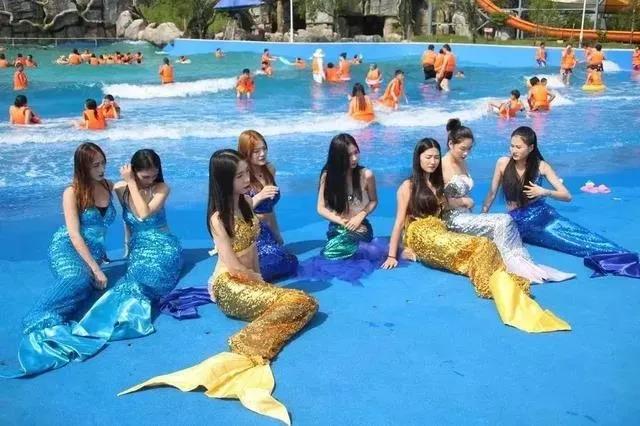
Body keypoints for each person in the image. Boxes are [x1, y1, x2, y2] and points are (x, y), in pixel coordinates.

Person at [119, 149, 318, 425]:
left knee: (306, 303)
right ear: (224, 180)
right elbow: (233, 265)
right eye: (240, 176)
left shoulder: (246, 202)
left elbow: (253, 250)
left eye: (246, 173)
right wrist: (256, 280)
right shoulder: (217, 218)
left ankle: (254, 337)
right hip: (230, 285)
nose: (247, 179)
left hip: (251, 278)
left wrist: (260, 279)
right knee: (299, 302)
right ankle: (244, 342)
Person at [380, 138, 571, 333]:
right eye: (428, 157)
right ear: (418, 158)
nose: (433, 161)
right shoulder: (408, 186)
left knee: (484, 244)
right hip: (420, 234)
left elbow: (450, 206)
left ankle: (501, 281)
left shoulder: (438, 184)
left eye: (436, 157)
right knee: (474, 248)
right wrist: (392, 255)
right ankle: (489, 283)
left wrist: (465, 202)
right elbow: (399, 222)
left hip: (440, 229)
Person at [1, 143, 115, 377]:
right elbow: (74, 234)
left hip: (92, 252)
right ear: (82, 167)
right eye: (95, 165)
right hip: (66, 247)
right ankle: (37, 318)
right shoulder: (72, 192)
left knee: (86, 288)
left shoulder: (108, 185)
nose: (101, 169)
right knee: (78, 278)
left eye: (103, 163)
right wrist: (96, 269)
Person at [482, 126, 640, 279]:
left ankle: (624, 256)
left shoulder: (541, 166)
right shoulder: (503, 163)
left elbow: (566, 196)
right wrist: (483, 214)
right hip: (517, 222)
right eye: (511, 146)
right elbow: (492, 193)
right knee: (568, 244)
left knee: (581, 237)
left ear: (530, 148)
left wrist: (544, 192)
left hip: (542, 216)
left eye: (518, 147)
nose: (513, 150)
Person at [440, 119, 573, 283]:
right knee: (504, 220)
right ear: (450, 144)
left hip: (468, 215)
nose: (466, 153)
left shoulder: (462, 162)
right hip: (453, 219)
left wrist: (482, 212)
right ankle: (510, 267)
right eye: (463, 148)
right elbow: (436, 199)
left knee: (506, 222)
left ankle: (523, 264)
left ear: (531, 148)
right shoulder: (442, 165)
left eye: (469, 149)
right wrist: (463, 202)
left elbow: (566, 195)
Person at [76, 149, 182, 341]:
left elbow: (143, 213)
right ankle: (102, 321)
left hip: (164, 245)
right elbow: (128, 220)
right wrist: (127, 246)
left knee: (148, 280)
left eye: (154, 175)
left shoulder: (162, 188)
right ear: (134, 171)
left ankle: (131, 320)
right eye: (145, 176)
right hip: (139, 246)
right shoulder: (120, 189)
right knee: (133, 279)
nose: (150, 180)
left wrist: (132, 182)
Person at [237, 130, 298, 280]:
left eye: (264, 149)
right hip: (251, 234)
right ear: (245, 153)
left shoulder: (270, 170)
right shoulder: (241, 177)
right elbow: (236, 213)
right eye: (256, 151)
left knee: (288, 263)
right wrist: (259, 196)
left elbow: (270, 210)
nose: (262, 154)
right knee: (267, 268)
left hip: (268, 232)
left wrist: (277, 234)